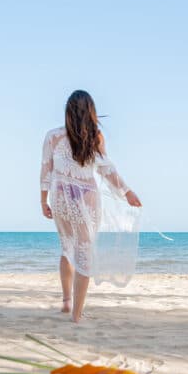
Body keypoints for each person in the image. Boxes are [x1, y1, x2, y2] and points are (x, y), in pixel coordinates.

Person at [40, 90, 141, 322]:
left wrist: (42, 200)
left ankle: (67, 301)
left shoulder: (52, 136)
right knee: (83, 251)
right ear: (91, 112)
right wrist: (127, 192)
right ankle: (77, 315)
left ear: (68, 112)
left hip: (61, 198)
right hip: (87, 199)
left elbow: (45, 170)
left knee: (67, 247)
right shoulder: (95, 136)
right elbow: (107, 170)